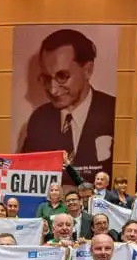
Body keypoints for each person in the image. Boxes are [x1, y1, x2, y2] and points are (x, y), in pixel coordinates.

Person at [18, 28, 117, 178]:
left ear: (87, 70)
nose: (53, 90)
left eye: (62, 76)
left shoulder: (114, 111)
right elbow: (26, 177)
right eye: (46, 78)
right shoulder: (39, 120)